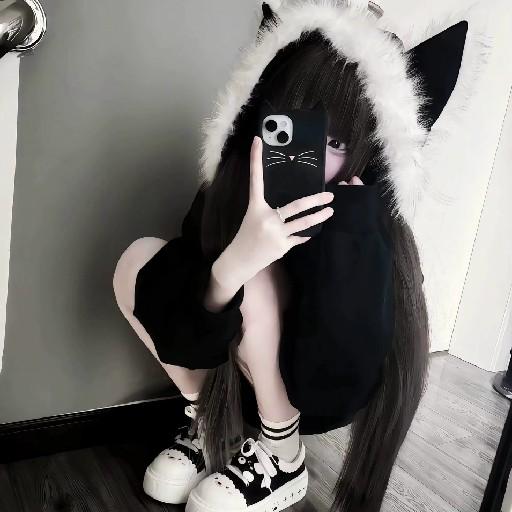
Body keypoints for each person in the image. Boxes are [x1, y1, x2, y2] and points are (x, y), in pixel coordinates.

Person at [113, 2, 467, 511]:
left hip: (304, 393)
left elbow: (339, 379)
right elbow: (179, 328)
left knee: (256, 282)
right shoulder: (231, 189)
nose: (309, 154)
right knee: (141, 259)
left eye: (337, 140)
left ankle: (282, 456)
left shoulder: (366, 224)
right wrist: (236, 260)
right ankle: (215, 424)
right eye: (290, 126)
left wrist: (348, 234)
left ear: (369, 148)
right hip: (228, 377)